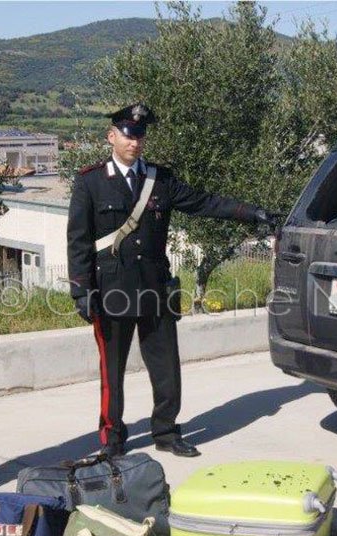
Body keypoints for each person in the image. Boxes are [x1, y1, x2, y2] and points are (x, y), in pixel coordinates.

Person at [67, 103, 278, 458]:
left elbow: (205, 203)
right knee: (112, 373)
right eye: (128, 135)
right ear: (111, 136)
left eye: (140, 136)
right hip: (111, 291)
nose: (135, 142)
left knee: (166, 368)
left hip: (156, 289)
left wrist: (251, 213)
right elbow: (78, 240)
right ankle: (112, 439)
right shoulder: (90, 182)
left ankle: (165, 432)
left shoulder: (160, 180)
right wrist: (81, 290)